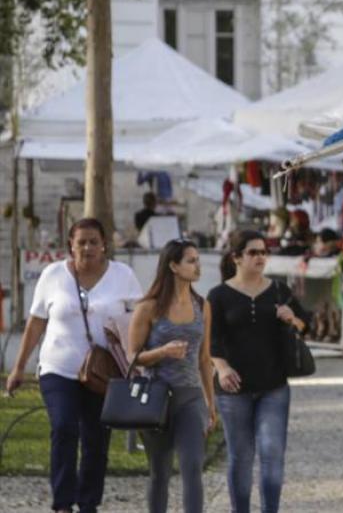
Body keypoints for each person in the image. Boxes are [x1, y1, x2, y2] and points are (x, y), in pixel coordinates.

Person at [5, 218, 144, 513]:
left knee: (96, 440)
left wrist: (139, 354)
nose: (88, 247)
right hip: (59, 368)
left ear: (104, 244)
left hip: (102, 373)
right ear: (71, 245)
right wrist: (19, 368)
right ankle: (63, 503)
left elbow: (140, 318)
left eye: (94, 241)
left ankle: (89, 501)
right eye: (81, 242)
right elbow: (36, 322)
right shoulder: (53, 275)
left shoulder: (123, 276)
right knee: (64, 426)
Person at [208, 230, 308, 513]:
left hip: (273, 386)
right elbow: (210, 340)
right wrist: (222, 367)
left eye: (264, 252)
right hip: (233, 389)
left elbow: (307, 326)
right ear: (236, 257)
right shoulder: (219, 295)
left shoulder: (279, 290)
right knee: (240, 457)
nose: (260, 257)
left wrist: (293, 319)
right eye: (253, 252)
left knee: (272, 454)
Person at [127, 239, 217, 513]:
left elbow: (204, 359)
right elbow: (132, 357)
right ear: (173, 266)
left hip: (190, 398)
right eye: (191, 261)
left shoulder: (203, 306)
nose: (197, 266)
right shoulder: (148, 307)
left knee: (192, 468)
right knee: (160, 472)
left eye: (198, 260)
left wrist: (210, 403)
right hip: (156, 398)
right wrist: (162, 351)